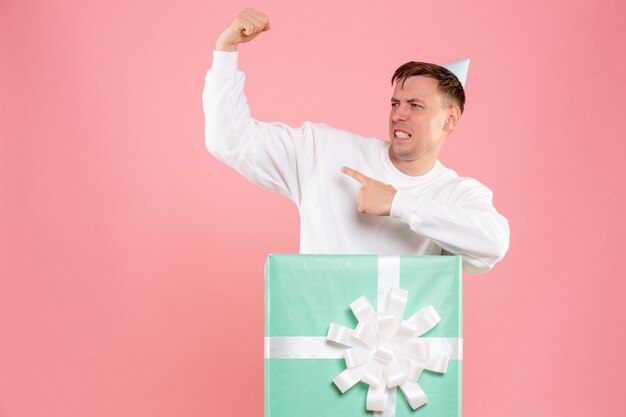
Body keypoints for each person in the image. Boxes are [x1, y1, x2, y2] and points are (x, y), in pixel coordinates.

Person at [203, 8, 510, 274]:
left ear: (451, 119)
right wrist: (225, 51)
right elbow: (230, 140)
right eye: (395, 103)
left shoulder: (457, 194)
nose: (399, 115)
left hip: (399, 342)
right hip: (314, 336)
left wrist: (397, 204)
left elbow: (493, 243)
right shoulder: (322, 151)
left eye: (415, 106)